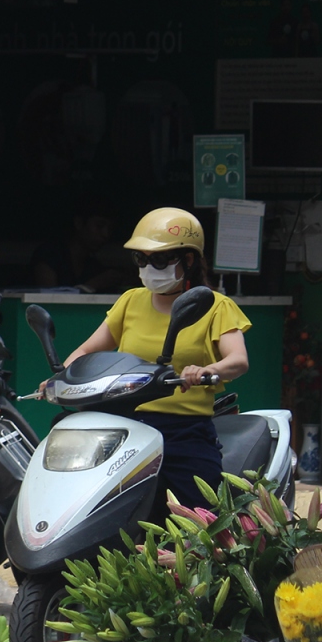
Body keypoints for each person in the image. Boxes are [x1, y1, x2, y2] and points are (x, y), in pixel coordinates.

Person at [54, 207, 251, 508]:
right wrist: (60, 379)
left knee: (202, 517)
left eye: (158, 259)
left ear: (188, 260)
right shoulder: (130, 301)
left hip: (183, 430)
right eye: (141, 259)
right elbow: (84, 352)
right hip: (124, 422)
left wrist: (206, 369)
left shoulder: (215, 305)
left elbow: (238, 360)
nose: (148, 267)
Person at [30, 198, 128, 292]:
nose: (105, 234)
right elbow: (48, 299)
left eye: (110, 229)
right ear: (79, 223)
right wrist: (91, 286)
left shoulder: (93, 266)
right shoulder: (49, 255)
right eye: (99, 226)